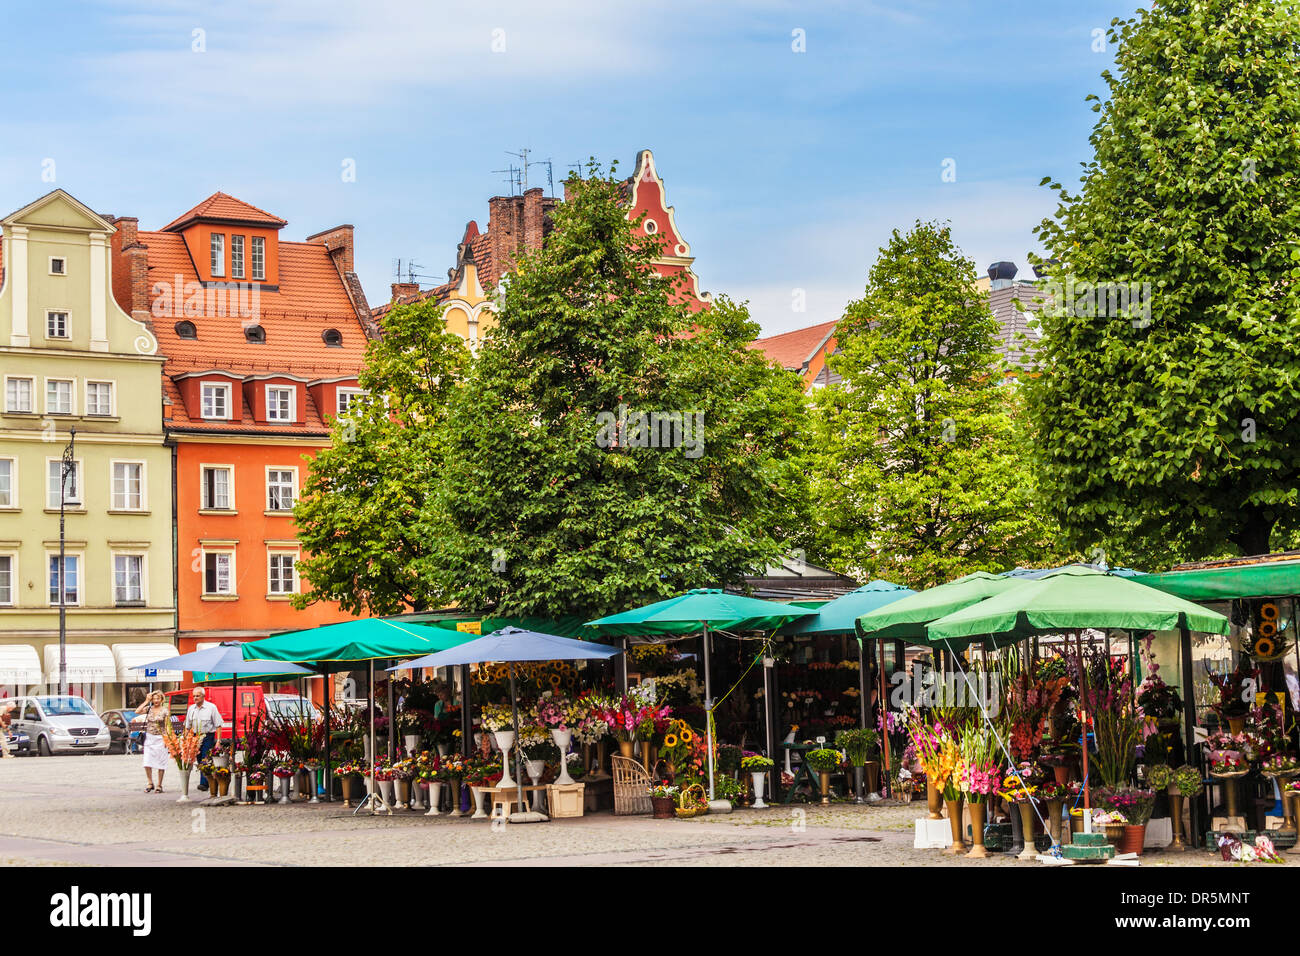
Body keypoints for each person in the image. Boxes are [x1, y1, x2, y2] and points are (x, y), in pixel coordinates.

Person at [185, 687, 223, 791]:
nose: (195, 698)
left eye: (197, 696)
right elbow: (187, 726)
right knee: (198, 759)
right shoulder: (191, 709)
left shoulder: (211, 707)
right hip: (195, 737)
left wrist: (218, 741)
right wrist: (185, 740)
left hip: (207, 736)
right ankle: (209, 779)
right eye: (194, 696)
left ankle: (204, 783)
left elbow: (218, 725)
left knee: (205, 758)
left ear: (203, 696)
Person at [140, 691, 169, 792]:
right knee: (147, 761)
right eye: (154, 699)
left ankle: (159, 785)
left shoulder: (165, 711)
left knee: (161, 761)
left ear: (161, 699)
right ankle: (150, 783)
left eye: (158, 698)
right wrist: (146, 701)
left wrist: (167, 739)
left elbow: (167, 726)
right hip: (150, 737)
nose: (156, 701)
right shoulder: (149, 709)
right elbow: (137, 711)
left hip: (160, 738)